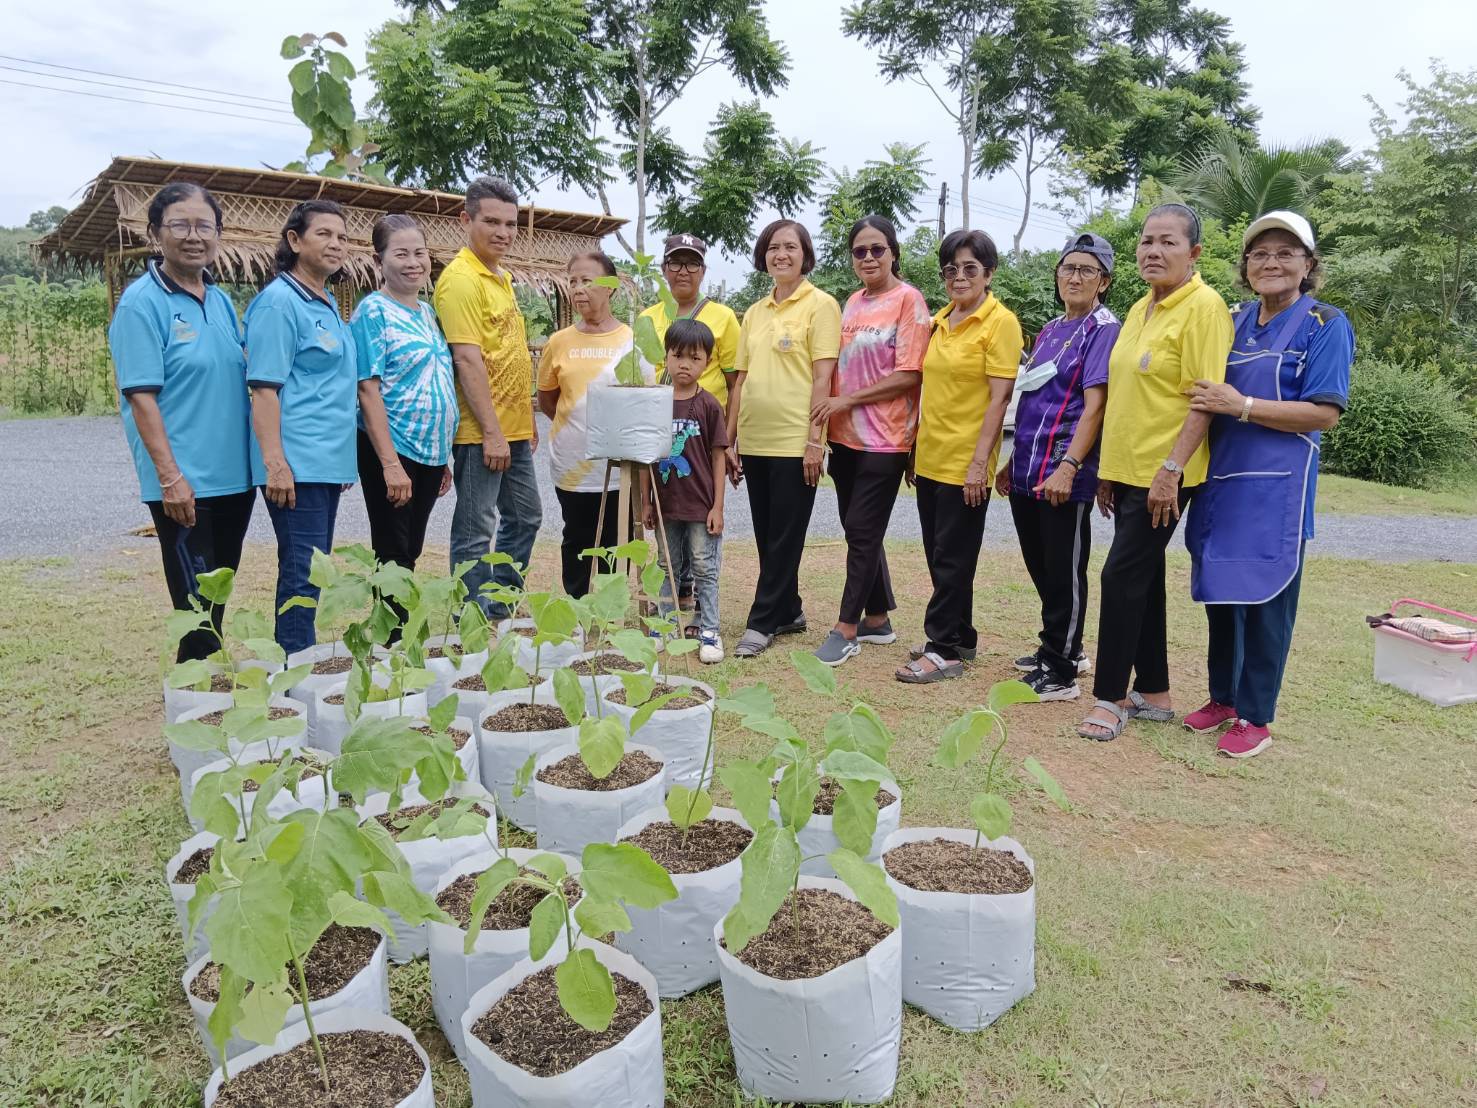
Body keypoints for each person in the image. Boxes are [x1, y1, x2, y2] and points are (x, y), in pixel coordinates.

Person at [1182, 211, 1353, 758]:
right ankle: (1223, 699)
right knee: (1222, 594)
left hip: (1278, 488)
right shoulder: (1231, 321)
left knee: (1266, 601)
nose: (1272, 263)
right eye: (1260, 254)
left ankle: (1256, 715)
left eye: (1286, 253)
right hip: (1221, 480)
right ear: (1246, 266)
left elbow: (1324, 412)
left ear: (1308, 264)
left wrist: (1244, 406)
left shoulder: (1325, 324)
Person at [1077, 203, 1234, 740]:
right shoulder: (1143, 308)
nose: (1153, 251)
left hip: (1165, 474)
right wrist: (1107, 468)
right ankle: (1157, 690)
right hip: (1127, 469)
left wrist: (1171, 467)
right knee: (1141, 577)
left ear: (1194, 254)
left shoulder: (1205, 308)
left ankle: (1110, 696)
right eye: (1147, 241)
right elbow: (1126, 394)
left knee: (1119, 576)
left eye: (1168, 242)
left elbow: (1204, 399)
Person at [108, 182, 255, 662]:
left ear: (218, 234)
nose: (194, 236)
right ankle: (199, 714)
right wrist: (170, 478)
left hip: (234, 479)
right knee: (195, 610)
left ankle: (206, 700)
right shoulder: (140, 303)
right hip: (184, 484)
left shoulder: (217, 300)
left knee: (216, 597)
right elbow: (141, 398)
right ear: (155, 233)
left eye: (204, 226)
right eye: (180, 225)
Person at [996, 232, 1120, 700]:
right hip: (1029, 466)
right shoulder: (1050, 329)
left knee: (1065, 569)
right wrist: (1012, 460)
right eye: (1068, 268)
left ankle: (1061, 669)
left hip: (1063, 472)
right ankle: (1061, 644)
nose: (1075, 277)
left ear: (1103, 281)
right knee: (1041, 564)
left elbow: (1096, 406)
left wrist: (1069, 466)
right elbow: (1032, 398)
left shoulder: (1103, 329)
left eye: (1087, 271)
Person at [897, 229, 1022, 683]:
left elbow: (998, 401)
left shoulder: (999, 323)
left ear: (989, 274)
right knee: (939, 553)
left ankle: (943, 648)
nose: (960, 276)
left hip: (965, 462)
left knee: (953, 556)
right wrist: (913, 449)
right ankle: (962, 635)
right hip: (931, 455)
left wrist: (978, 464)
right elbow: (931, 391)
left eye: (971, 268)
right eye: (951, 269)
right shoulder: (940, 322)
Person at [807, 215, 931, 667]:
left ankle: (847, 628)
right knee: (861, 531)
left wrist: (847, 401)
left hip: (887, 439)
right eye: (860, 251)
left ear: (893, 252)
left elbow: (909, 373)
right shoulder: (853, 303)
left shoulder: (909, 301)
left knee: (861, 530)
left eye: (877, 249)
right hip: (846, 440)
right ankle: (878, 619)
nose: (869, 258)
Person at [245, 199, 358, 656]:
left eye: (342, 236)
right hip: (297, 463)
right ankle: (294, 677)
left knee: (312, 568)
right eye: (323, 234)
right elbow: (264, 389)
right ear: (294, 241)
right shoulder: (279, 302)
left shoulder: (324, 300)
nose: (335, 244)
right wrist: (276, 464)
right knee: (302, 572)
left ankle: (298, 666)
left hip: (322, 462)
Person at [728, 220, 842, 659]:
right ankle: (789, 609)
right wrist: (731, 439)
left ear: (804, 254)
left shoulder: (821, 305)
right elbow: (740, 380)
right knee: (765, 533)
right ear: (764, 255)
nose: (781, 254)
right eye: (773, 247)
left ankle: (761, 622)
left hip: (795, 442)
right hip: (755, 439)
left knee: (785, 537)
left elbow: (823, 377)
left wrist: (815, 440)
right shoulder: (755, 312)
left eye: (790, 247)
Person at [434, 176, 541, 619]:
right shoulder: (460, 280)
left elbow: (507, 351)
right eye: (491, 222)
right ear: (467, 219)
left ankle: (496, 607)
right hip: (482, 431)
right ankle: (472, 619)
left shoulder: (502, 276)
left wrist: (525, 420)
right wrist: (493, 432)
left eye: (510, 224)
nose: (503, 232)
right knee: (477, 526)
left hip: (513, 428)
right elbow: (468, 360)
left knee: (526, 517)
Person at [536, 251, 652, 596]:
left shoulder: (635, 341)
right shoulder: (559, 343)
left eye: (588, 280)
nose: (578, 289)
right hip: (573, 465)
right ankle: (577, 609)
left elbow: (645, 404)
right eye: (573, 282)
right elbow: (548, 401)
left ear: (611, 287)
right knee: (577, 536)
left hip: (621, 466)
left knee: (619, 539)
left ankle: (607, 612)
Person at [639, 232, 742, 615]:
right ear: (664, 268)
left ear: (703, 269)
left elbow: (735, 383)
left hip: (704, 436)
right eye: (675, 263)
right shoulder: (648, 317)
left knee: (701, 526)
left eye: (692, 263)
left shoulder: (724, 317)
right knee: (670, 524)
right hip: (660, 431)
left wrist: (728, 443)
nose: (684, 271)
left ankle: (702, 607)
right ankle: (673, 599)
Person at [350, 214, 458, 578]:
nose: (413, 263)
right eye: (401, 254)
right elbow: (368, 388)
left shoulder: (426, 313)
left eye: (419, 253)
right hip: (392, 448)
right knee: (393, 551)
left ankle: (398, 632)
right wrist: (390, 464)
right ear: (379, 261)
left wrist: (441, 457)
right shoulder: (373, 311)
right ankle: (393, 635)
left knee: (411, 547)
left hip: (428, 451)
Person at [641, 318, 729, 663]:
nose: (685, 364)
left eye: (694, 357)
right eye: (678, 356)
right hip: (665, 506)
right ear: (666, 357)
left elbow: (719, 458)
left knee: (705, 568)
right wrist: (646, 501)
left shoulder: (709, 406)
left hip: (700, 505)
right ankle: (663, 626)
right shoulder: (657, 403)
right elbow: (649, 458)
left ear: (707, 361)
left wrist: (718, 507)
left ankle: (709, 630)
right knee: (667, 566)